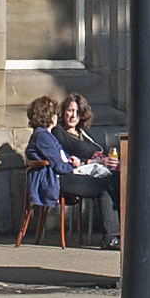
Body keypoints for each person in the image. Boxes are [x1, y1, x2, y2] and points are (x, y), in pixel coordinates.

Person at [53, 94, 121, 246]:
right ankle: (111, 237)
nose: (73, 116)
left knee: (117, 180)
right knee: (105, 186)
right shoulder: (59, 132)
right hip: (67, 177)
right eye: (70, 111)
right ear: (64, 112)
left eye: (77, 112)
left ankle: (122, 230)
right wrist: (98, 160)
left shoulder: (84, 134)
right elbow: (77, 148)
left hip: (86, 174)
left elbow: (93, 151)